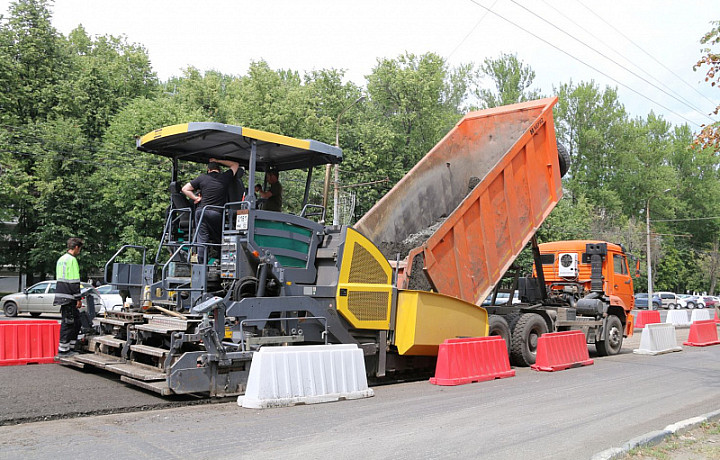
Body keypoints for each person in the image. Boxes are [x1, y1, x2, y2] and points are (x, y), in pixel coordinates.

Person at [182, 157, 240, 261]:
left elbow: (185, 189)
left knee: (202, 238)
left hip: (202, 212)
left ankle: (201, 263)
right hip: (216, 213)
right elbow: (235, 164)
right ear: (219, 169)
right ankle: (220, 257)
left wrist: (196, 198)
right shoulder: (224, 177)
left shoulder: (202, 178)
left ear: (208, 170)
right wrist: (218, 160)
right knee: (219, 236)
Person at [55, 237, 85, 358]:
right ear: (76, 247)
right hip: (69, 296)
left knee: (75, 322)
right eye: (80, 249)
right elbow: (74, 281)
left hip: (62, 295)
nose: (80, 251)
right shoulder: (72, 260)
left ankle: (70, 347)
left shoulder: (61, 259)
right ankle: (63, 350)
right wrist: (78, 298)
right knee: (69, 323)